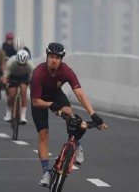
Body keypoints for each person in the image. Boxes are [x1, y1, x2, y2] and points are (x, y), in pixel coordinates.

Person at [30, 42, 107, 187]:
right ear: (47, 57)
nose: (54, 60)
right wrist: (49, 105)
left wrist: (93, 114)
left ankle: (76, 144)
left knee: (70, 116)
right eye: (52, 57)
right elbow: (35, 101)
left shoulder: (66, 71)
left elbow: (79, 94)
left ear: (61, 60)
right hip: (40, 100)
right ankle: (46, 173)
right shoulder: (38, 73)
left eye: (58, 58)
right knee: (43, 134)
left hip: (56, 95)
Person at [1, 49, 34, 124]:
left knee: (23, 90)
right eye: (20, 64)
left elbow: (34, 77)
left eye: (23, 64)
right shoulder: (11, 62)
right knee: (12, 94)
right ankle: (8, 113)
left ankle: (23, 116)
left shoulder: (30, 65)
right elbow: (5, 76)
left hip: (24, 77)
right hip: (13, 76)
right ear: (17, 61)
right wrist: (4, 81)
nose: (21, 67)